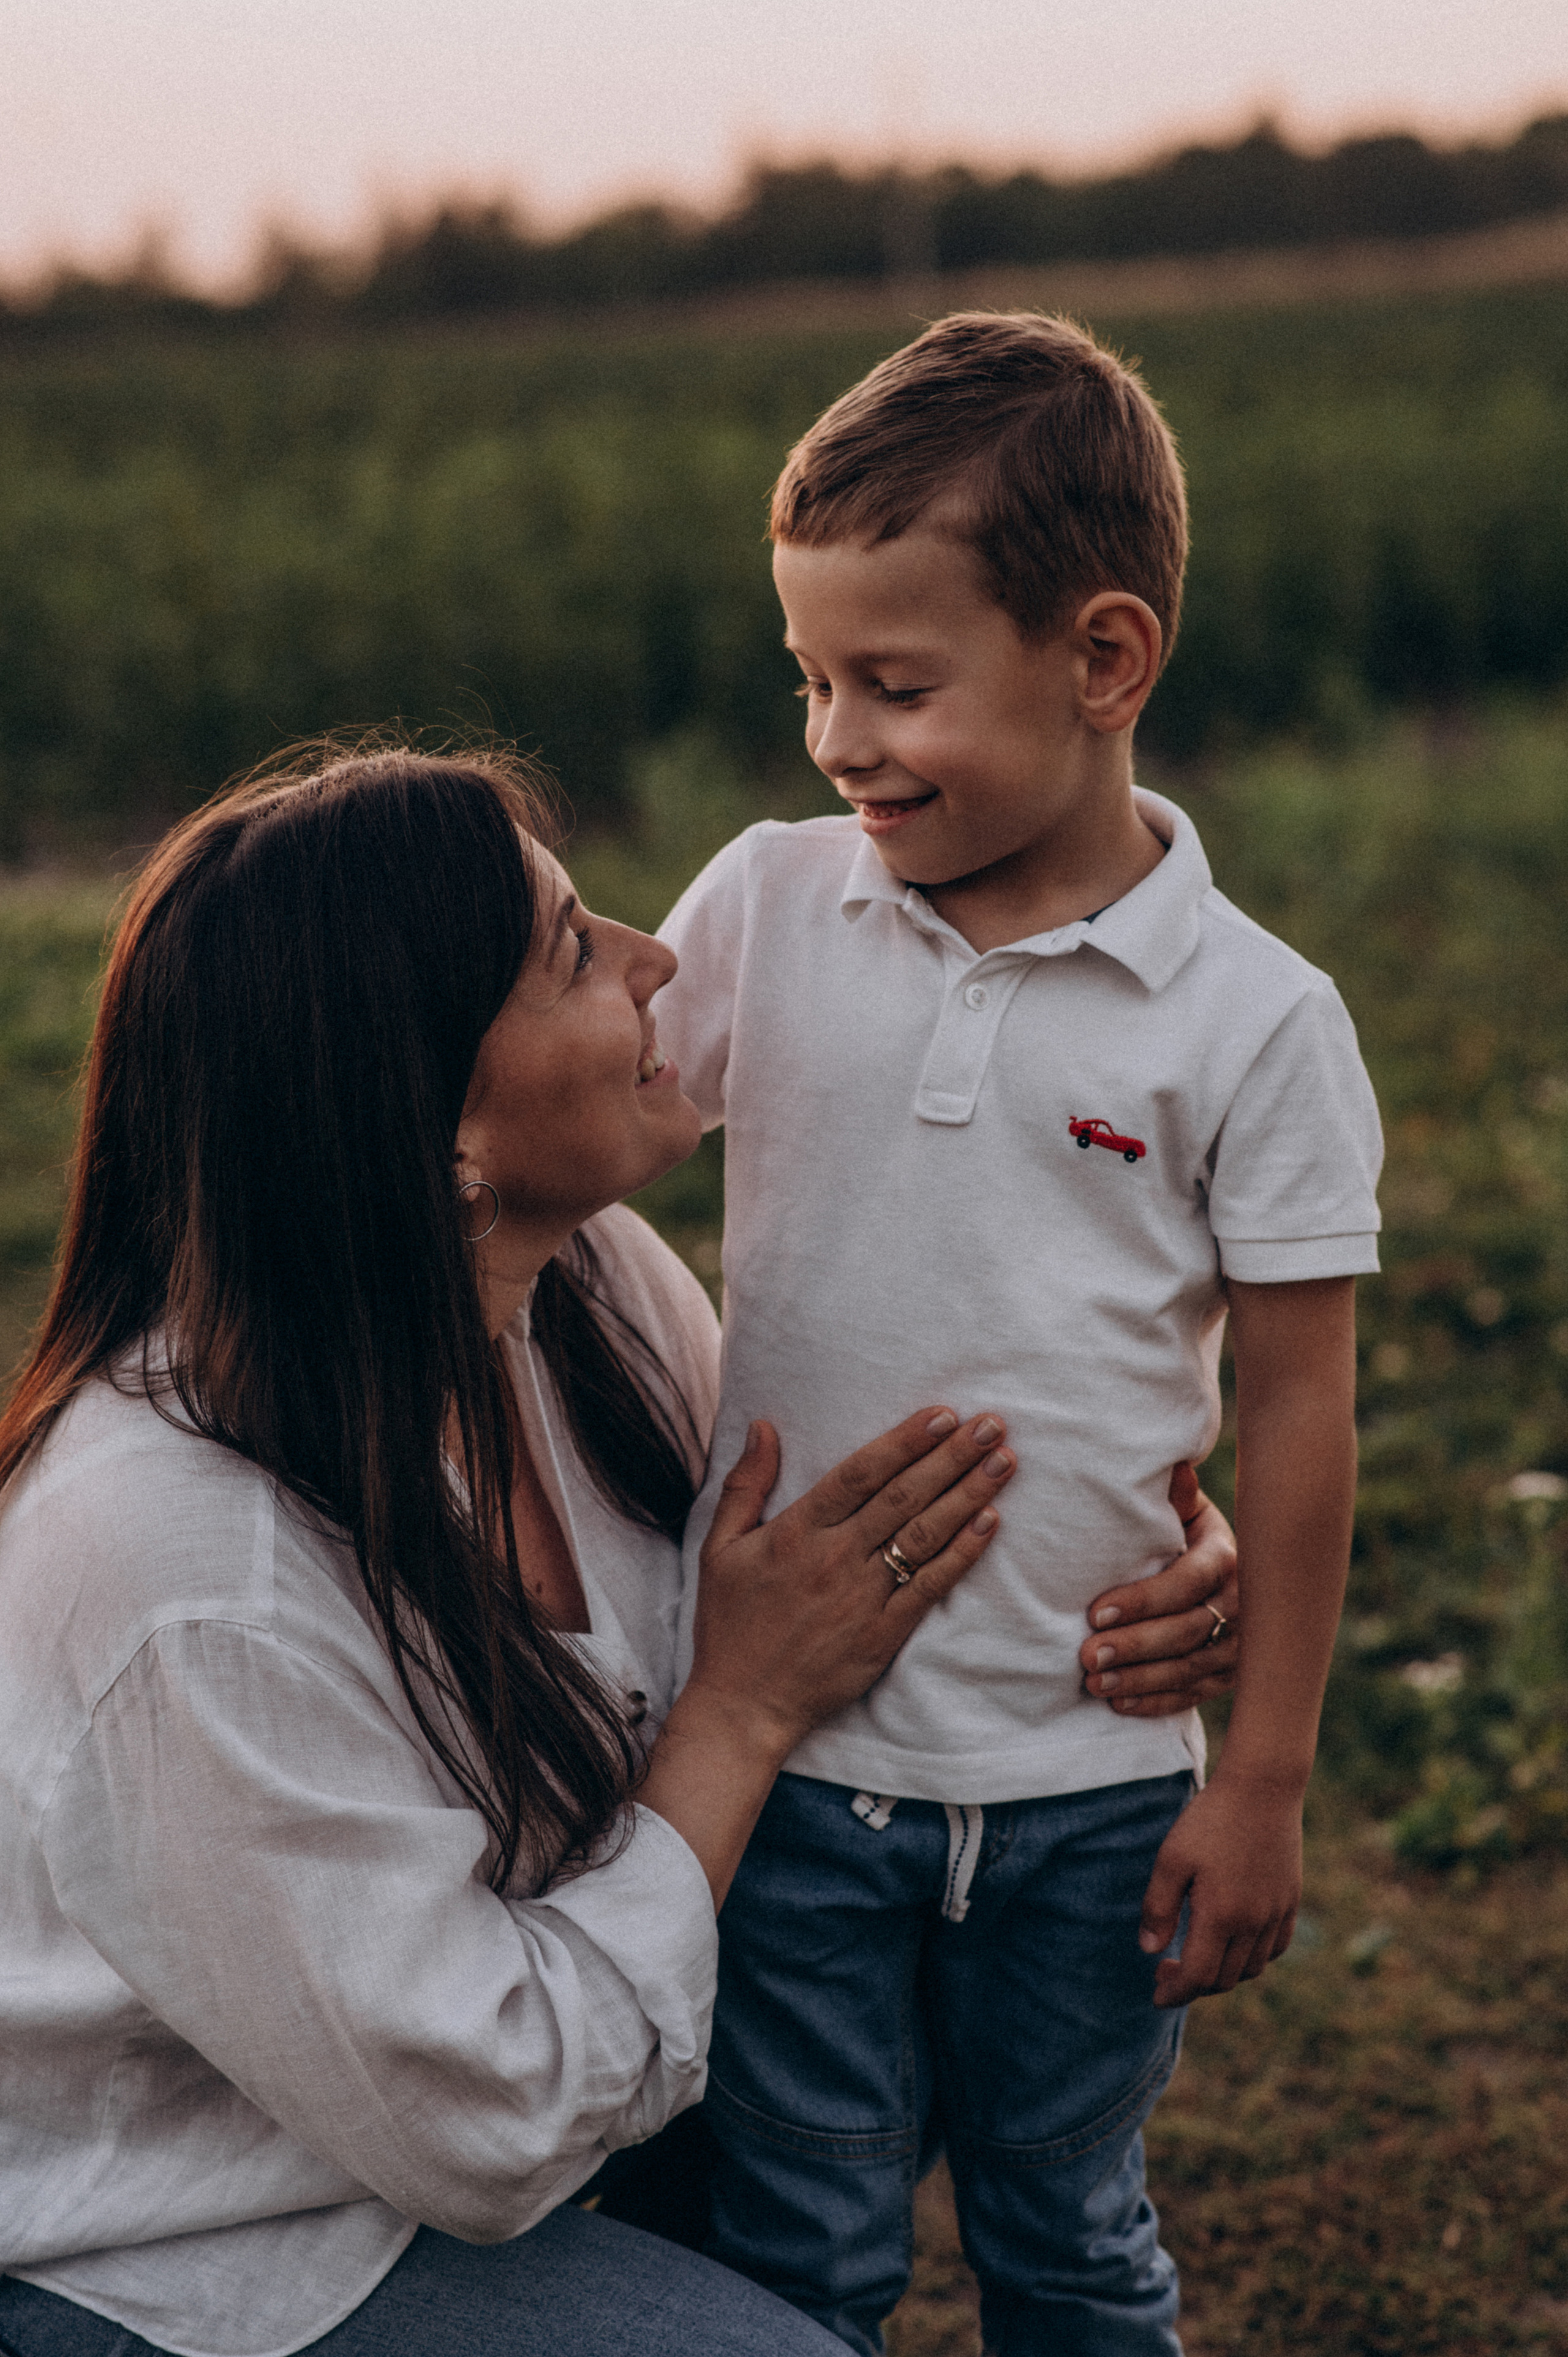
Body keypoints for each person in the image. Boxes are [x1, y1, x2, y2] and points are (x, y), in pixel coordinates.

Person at [0, 745, 1234, 2357]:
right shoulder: (177, 1577)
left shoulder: (593, 1291)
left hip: (483, 2097)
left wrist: (1119, 1571)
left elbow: (823, 1582)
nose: (660, 960)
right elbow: (488, 2126)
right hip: (215, 2242)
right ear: (436, 1133)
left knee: (954, 2001)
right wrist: (731, 1716)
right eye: (576, 952)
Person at [655, 314, 1384, 2354]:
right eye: (810, 681)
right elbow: (567, 1127)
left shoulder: (1256, 1020)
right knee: (798, 2243)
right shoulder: (773, 908)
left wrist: (1265, 1776)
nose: (836, 743)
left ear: (1104, 659)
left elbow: (1304, 1406)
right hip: (792, 1766)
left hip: (1091, 1785)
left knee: (1067, 2240)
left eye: (896, 686)